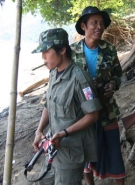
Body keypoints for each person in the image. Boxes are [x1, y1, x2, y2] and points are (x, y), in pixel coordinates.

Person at [31, 28, 102, 185]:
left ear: (62, 49)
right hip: (53, 148)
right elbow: (49, 104)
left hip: (71, 151)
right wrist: (39, 131)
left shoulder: (79, 78)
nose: (43, 57)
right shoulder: (54, 73)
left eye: (46, 51)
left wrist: (63, 134)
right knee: (43, 181)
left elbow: (93, 114)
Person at [71, 6, 125, 185]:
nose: (99, 27)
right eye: (94, 22)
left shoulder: (109, 49)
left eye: (101, 23)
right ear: (84, 26)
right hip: (83, 114)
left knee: (114, 153)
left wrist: (114, 83)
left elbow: (118, 73)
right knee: (87, 156)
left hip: (107, 111)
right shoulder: (71, 53)